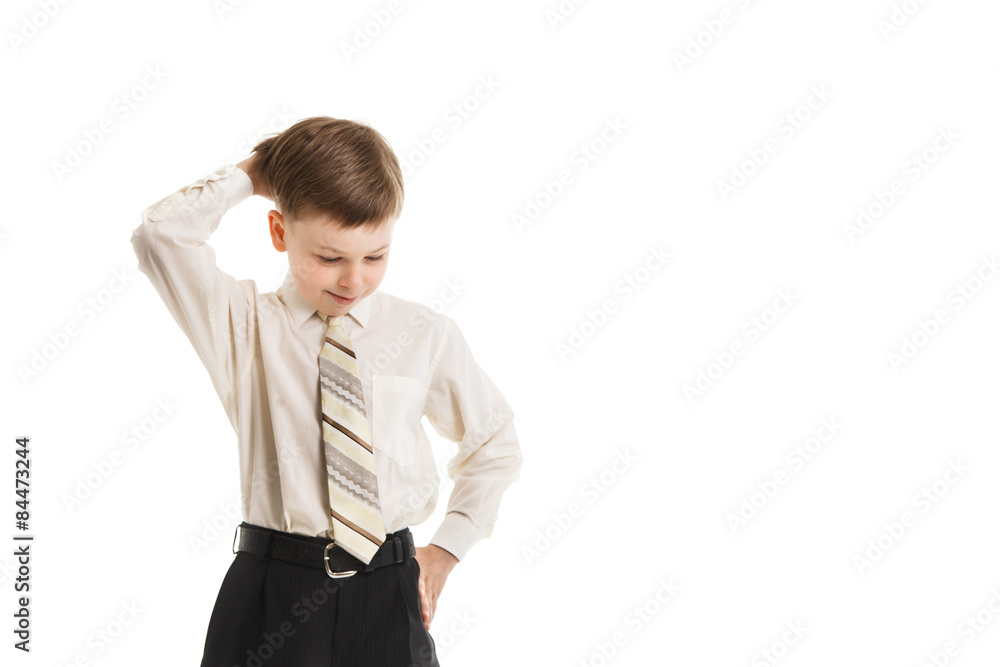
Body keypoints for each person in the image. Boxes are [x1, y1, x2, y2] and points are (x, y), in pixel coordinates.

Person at [130, 116, 523, 666]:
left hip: (391, 592)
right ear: (279, 232)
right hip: (272, 590)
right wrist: (253, 172)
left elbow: (494, 444)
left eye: (375, 256)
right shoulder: (243, 325)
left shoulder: (425, 335)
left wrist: (445, 552)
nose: (353, 281)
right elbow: (159, 236)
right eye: (330, 258)